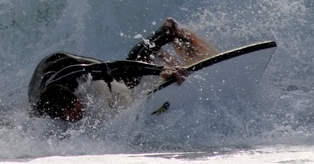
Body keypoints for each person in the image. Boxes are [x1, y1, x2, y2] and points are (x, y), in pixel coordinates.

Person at [28, 18, 217, 122]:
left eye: (77, 106)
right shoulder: (42, 108)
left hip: (64, 63)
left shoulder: (76, 75)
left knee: (127, 81)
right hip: (43, 77)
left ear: (75, 95)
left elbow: (117, 67)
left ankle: (168, 31)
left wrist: (160, 70)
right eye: (73, 112)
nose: (80, 112)